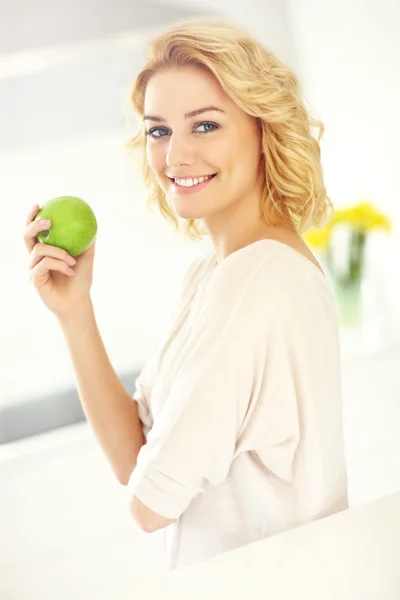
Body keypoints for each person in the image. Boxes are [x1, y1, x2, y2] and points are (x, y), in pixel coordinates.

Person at [23, 19, 348, 571]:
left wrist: (156, 470)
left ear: (263, 130)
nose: (174, 157)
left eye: (204, 126)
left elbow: (150, 504)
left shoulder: (256, 282)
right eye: (158, 130)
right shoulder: (215, 274)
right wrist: (75, 312)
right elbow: (135, 459)